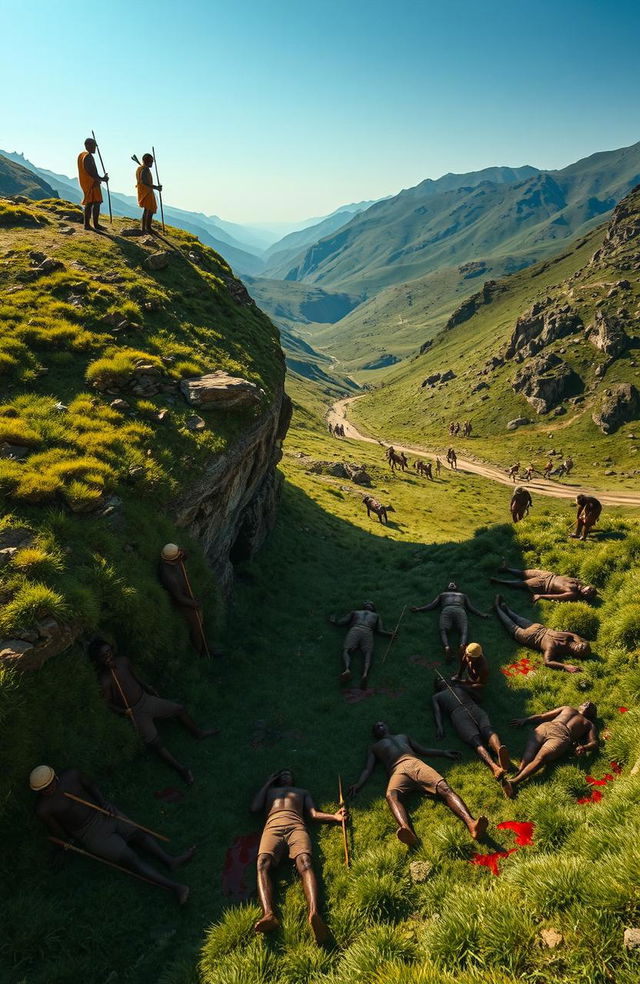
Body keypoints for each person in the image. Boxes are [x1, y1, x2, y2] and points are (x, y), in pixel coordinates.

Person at [30, 765, 193, 903]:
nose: (49, 789)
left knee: (139, 835)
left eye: (50, 784)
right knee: (131, 859)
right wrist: (65, 843)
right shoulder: (44, 808)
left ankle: (170, 860)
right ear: (39, 791)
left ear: (55, 777)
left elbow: (91, 786)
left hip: (103, 812)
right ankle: (175, 888)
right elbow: (57, 830)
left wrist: (104, 803)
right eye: (44, 789)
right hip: (89, 834)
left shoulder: (72, 775)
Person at [89, 638, 218, 784]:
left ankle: (198, 733)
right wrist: (123, 712)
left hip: (146, 699)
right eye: (103, 656)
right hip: (135, 711)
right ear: (97, 660)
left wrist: (147, 687)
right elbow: (107, 703)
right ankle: (181, 769)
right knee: (154, 742)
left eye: (108, 652)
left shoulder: (123, 661)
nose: (108, 657)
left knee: (179, 709)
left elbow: (135, 676)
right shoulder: (105, 680)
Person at [348, 722, 487, 843]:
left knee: (445, 789)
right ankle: (407, 831)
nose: (379, 726)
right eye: (376, 727)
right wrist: (358, 784)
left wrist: (443, 752)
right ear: (375, 733)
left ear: (387, 726)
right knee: (391, 796)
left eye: (381, 724)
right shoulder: (375, 747)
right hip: (397, 771)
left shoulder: (403, 736)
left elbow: (423, 750)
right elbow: (368, 769)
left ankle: (472, 824)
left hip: (416, 764)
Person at [251, 769, 346, 943]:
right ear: (277, 778)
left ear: (294, 779)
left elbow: (313, 814)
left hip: (297, 827)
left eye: (289, 773)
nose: (286, 775)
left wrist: (334, 817)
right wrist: (267, 783)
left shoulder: (302, 792)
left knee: (306, 862)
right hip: (272, 827)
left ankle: (314, 913)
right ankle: (268, 914)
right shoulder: (270, 792)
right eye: (282, 773)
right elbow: (254, 807)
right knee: (261, 863)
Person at [432, 679, 510, 786]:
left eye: (444, 679)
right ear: (438, 687)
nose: (443, 681)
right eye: (440, 681)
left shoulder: (458, 687)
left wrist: (465, 688)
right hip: (460, 713)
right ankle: (495, 765)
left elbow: (477, 697)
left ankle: (499, 755)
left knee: (486, 732)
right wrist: (440, 727)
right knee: (478, 739)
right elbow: (437, 712)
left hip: (470, 708)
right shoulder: (438, 696)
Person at [508, 703, 598, 794]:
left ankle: (514, 782)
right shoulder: (567, 708)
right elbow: (543, 716)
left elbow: (594, 743)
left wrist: (585, 747)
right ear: (580, 705)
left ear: (593, 714)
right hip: (546, 727)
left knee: (541, 758)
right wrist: (525, 720)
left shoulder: (589, 724)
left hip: (561, 736)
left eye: (591, 706)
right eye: (586, 702)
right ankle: (517, 775)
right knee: (529, 751)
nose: (588, 703)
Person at [494, 594, 591, 672]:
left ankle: (497, 607)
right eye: (583, 645)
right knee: (516, 617)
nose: (581, 647)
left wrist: (565, 666)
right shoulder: (569, 638)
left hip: (527, 636)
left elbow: (548, 662)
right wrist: (578, 641)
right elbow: (574, 635)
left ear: (577, 655)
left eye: (582, 650)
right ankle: (506, 609)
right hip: (537, 627)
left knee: (510, 624)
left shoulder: (556, 649)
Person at [410, 582, 489, 662]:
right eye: (450, 583)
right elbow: (432, 605)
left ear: (456, 588)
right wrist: (419, 609)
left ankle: (450, 647)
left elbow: (432, 605)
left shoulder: (446, 595)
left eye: (453, 583)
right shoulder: (458, 595)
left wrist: (481, 614)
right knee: (462, 630)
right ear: (448, 588)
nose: (452, 584)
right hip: (459, 611)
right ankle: (458, 646)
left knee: (445, 631)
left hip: (448, 610)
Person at [158, 543, 211, 656]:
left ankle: (206, 644)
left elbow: (185, 557)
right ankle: (200, 651)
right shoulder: (169, 577)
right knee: (196, 625)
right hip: (182, 602)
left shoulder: (175, 561)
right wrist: (194, 604)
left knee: (201, 620)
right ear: (175, 559)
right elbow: (179, 598)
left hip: (186, 594)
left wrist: (184, 553)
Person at [328, 602, 393, 688]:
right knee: (366, 653)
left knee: (347, 650)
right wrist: (390, 634)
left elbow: (342, 622)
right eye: (369, 603)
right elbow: (380, 630)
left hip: (356, 629)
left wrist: (335, 622)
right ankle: (363, 674)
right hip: (367, 632)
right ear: (372, 608)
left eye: (369, 603)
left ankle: (348, 669)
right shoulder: (375, 615)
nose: (369, 604)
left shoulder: (356, 612)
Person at [490, 562, 597, 602]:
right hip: (548, 574)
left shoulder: (572, 594)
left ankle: (499, 581)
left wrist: (540, 596)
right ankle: (506, 569)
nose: (588, 591)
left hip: (544, 584)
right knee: (524, 573)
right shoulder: (577, 582)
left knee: (522, 584)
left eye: (589, 594)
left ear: (586, 597)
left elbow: (557, 597)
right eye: (590, 589)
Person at [77, 137, 108, 231]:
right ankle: (91, 224)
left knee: (92, 202)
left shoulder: (83, 155)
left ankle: (90, 224)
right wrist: (103, 178)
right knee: (94, 202)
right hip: (91, 183)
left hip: (88, 182)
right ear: (87, 145)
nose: (95, 148)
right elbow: (91, 172)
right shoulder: (88, 157)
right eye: (94, 146)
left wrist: (100, 178)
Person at [135, 154, 162, 233]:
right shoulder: (145, 170)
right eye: (151, 161)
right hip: (146, 192)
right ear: (147, 161)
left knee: (148, 209)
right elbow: (144, 182)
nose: (152, 163)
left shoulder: (142, 168)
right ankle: (147, 228)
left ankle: (145, 227)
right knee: (148, 209)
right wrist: (156, 187)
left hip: (145, 192)